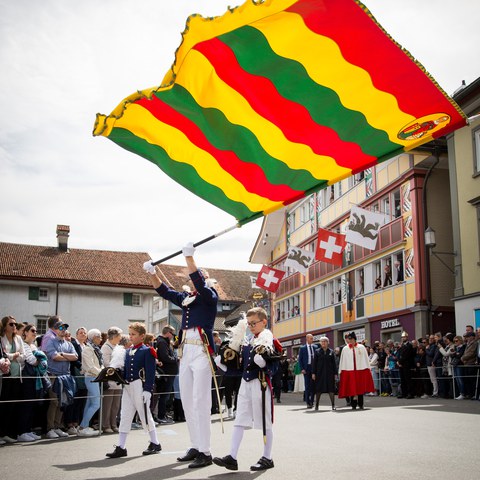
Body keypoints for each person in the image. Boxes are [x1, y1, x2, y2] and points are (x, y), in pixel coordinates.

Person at [143, 243, 218, 468]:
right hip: (186, 351)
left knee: (200, 401)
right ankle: (195, 445)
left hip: (202, 352)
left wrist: (189, 258)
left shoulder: (209, 295)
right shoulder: (188, 300)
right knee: (186, 400)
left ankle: (206, 450)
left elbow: (199, 282)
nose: (193, 280)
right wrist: (153, 273)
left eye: (199, 277)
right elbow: (163, 291)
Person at [213, 307, 281, 472]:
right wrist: (223, 366)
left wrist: (264, 364)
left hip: (261, 382)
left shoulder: (270, 339)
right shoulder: (247, 341)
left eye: (254, 323)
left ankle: (267, 457)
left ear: (264, 322)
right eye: (248, 323)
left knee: (265, 422)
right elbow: (239, 367)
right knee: (239, 419)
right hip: (245, 383)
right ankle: (232, 457)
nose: (250, 326)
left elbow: (276, 366)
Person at [106, 322, 161, 458]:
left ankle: (155, 443)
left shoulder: (147, 351)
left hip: (139, 386)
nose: (130, 337)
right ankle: (121, 447)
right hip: (128, 386)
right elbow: (125, 370)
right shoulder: (127, 351)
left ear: (142, 336)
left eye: (133, 334)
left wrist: (148, 390)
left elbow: (150, 372)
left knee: (145, 415)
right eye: (129, 334)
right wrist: (116, 373)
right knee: (125, 415)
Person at [43, 318, 78, 439]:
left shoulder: (68, 344)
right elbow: (54, 357)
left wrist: (62, 354)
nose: (64, 330)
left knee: (62, 402)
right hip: (54, 375)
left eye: (65, 328)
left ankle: (57, 426)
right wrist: (65, 357)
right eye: (61, 328)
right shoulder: (51, 341)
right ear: (56, 330)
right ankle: (50, 428)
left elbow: (75, 357)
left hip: (65, 376)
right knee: (54, 402)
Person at [0, 316, 26, 443]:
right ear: (5, 325)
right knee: (3, 405)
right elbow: (3, 355)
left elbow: (23, 356)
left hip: (16, 375)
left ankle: (7, 433)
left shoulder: (18, 338)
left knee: (12, 405)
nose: (14, 326)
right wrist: (13, 356)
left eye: (15, 324)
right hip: (4, 376)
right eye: (11, 324)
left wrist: (14, 356)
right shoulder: (1, 338)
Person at [338, 332, 374, 410]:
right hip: (349, 370)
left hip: (360, 369)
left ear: (354, 339)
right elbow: (343, 360)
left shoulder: (361, 347)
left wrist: (368, 367)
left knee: (360, 387)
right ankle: (353, 404)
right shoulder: (345, 348)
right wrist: (341, 370)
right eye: (349, 339)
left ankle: (361, 404)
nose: (349, 341)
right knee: (351, 387)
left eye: (351, 339)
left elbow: (366, 358)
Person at [78, 329, 103, 436]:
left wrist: (102, 371)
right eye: (99, 337)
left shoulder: (94, 349)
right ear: (93, 337)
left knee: (90, 404)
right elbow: (90, 366)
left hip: (94, 377)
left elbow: (99, 364)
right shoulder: (88, 349)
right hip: (91, 377)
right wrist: (102, 373)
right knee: (96, 404)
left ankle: (84, 426)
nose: (101, 339)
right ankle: (83, 427)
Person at [101, 327, 123, 433]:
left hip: (118, 378)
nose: (120, 338)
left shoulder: (118, 346)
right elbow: (106, 363)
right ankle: (106, 425)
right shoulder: (105, 347)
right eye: (119, 336)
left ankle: (113, 424)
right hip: (109, 378)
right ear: (114, 336)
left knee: (116, 405)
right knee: (107, 404)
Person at [155, 325, 178, 424]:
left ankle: (162, 414)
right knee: (164, 395)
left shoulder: (164, 342)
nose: (173, 336)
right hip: (166, 373)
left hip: (169, 372)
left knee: (166, 396)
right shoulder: (162, 342)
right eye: (172, 334)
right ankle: (161, 416)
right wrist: (176, 359)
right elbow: (165, 357)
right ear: (168, 333)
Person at [311, 337, 337, 410]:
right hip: (319, 373)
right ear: (320, 343)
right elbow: (314, 363)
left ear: (328, 342)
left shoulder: (331, 352)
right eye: (322, 341)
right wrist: (313, 373)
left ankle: (333, 405)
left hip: (329, 374)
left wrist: (335, 373)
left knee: (331, 389)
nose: (323, 343)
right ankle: (317, 405)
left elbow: (334, 364)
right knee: (318, 389)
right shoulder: (317, 351)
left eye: (325, 341)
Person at [298, 334, 317, 408]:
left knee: (313, 386)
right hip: (306, 368)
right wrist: (302, 369)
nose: (312, 340)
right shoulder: (302, 348)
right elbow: (300, 360)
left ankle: (312, 401)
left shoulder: (315, 347)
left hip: (313, 368)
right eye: (311, 338)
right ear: (307, 339)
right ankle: (308, 402)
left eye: (312, 338)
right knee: (307, 385)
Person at [397, 331, 415, 399]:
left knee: (408, 379)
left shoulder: (409, 345)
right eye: (402, 337)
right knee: (402, 380)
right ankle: (404, 393)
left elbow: (406, 355)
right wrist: (398, 361)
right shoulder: (401, 345)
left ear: (407, 337)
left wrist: (400, 362)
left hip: (406, 364)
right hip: (401, 364)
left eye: (404, 337)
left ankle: (410, 393)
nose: (403, 338)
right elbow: (399, 354)